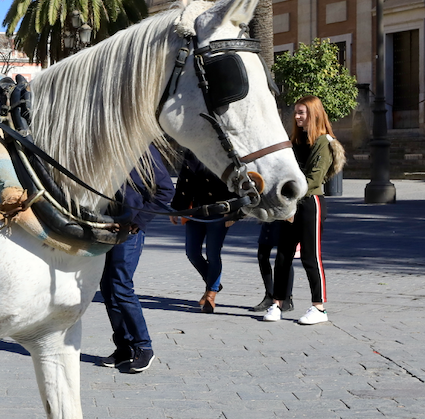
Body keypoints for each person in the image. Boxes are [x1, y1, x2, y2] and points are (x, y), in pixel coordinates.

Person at [263, 96, 343, 325]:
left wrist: (289, 200)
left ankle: (319, 307)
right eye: (296, 112)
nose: (297, 117)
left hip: (310, 204)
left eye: (302, 113)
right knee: (283, 255)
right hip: (290, 203)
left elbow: (312, 178)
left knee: (310, 256)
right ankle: (277, 303)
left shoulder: (324, 143)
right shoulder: (296, 141)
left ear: (314, 114)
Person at [100, 144, 175, 374]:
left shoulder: (143, 150)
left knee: (121, 287)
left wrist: (139, 220)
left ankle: (144, 347)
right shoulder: (104, 146)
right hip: (105, 227)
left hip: (130, 231)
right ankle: (124, 347)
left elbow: (165, 190)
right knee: (107, 288)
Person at [170, 151, 237, 313]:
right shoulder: (192, 151)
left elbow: (236, 182)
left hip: (219, 211)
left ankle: (211, 294)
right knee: (192, 252)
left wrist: (235, 212)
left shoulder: (224, 152)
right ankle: (213, 282)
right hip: (195, 210)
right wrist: (176, 208)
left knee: (213, 254)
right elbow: (183, 180)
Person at [250, 222, 293, 313]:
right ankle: (269, 295)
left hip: (284, 220)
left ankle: (287, 298)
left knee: (285, 258)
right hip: (269, 218)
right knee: (262, 256)